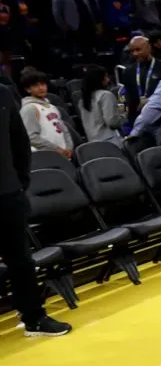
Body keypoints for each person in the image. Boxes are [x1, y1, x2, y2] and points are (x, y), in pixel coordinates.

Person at [0, 83, 72, 336]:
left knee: (20, 260)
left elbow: (18, 141)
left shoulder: (3, 93)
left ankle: (34, 317)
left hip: (7, 191)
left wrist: (19, 182)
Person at [19, 69, 74, 157]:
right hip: (44, 156)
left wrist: (69, 148)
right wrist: (55, 149)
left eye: (43, 84)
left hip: (63, 154)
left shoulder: (52, 107)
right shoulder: (29, 108)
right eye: (36, 85)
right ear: (28, 89)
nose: (41, 88)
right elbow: (31, 137)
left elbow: (64, 130)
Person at [78, 64, 126, 145]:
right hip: (111, 142)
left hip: (93, 143)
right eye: (106, 77)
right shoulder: (105, 95)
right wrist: (125, 115)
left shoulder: (82, 101)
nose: (108, 80)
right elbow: (112, 122)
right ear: (99, 79)